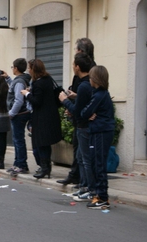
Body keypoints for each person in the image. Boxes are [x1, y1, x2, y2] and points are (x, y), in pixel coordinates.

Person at [57, 38, 96, 186]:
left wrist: (67, 101)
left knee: (84, 154)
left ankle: (85, 183)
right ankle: (77, 177)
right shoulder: (82, 77)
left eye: (76, 50)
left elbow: (90, 96)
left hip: (84, 118)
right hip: (79, 114)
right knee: (79, 151)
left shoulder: (90, 75)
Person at [81, 65, 115, 209]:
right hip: (100, 131)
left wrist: (89, 114)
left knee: (98, 164)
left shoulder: (99, 95)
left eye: (91, 77)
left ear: (95, 79)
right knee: (96, 163)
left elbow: (84, 112)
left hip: (101, 132)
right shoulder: (102, 94)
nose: (89, 80)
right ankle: (100, 195)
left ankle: (102, 197)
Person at [21, 59, 62, 179]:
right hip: (49, 115)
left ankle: (44, 168)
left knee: (41, 143)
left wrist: (27, 94)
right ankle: (46, 167)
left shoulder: (38, 83)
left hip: (41, 118)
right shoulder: (47, 80)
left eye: (30, 68)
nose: (28, 70)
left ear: (34, 69)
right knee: (45, 143)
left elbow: (37, 101)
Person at [5, 58, 32, 175]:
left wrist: (11, 113)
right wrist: (7, 78)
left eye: (12, 67)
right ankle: (17, 163)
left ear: (15, 68)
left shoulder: (19, 81)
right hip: (22, 113)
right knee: (17, 139)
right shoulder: (22, 80)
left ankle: (21, 164)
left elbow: (18, 100)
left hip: (19, 114)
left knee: (18, 139)